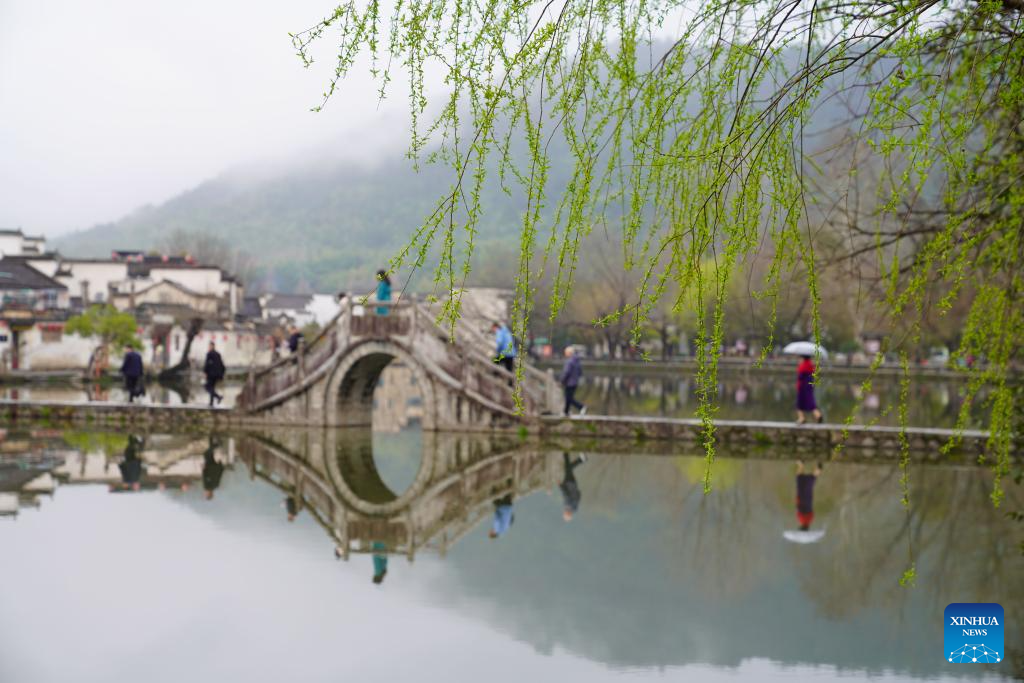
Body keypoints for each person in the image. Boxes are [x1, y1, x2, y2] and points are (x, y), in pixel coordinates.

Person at [559, 346, 586, 416]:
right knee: (568, 398)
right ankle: (566, 412)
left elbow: (566, 372)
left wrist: (562, 381)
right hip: (575, 382)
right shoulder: (577, 361)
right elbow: (580, 372)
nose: (565, 354)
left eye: (566, 353)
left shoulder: (569, 361)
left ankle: (581, 406)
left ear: (569, 353)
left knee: (569, 398)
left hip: (569, 383)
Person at [559, 452, 587, 521]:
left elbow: (579, 495)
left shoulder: (575, 507)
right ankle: (582, 459)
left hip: (574, 484)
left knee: (567, 468)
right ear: (567, 513)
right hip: (568, 483)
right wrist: (560, 485)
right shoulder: (568, 505)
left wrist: (576, 490)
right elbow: (565, 494)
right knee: (568, 469)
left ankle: (566, 453)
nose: (564, 512)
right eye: (565, 514)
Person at [796, 355, 823, 424]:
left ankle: (801, 418)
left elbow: (800, 377)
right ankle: (818, 415)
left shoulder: (803, 365)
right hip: (809, 387)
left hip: (803, 387)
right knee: (811, 402)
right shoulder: (811, 365)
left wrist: (799, 366)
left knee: (799, 404)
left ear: (803, 357)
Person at [795, 460, 822, 530]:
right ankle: (801, 464)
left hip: (809, 500)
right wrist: (797, 500)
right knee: (799, 479)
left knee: (810, 483)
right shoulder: (801, 520)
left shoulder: (810, 520)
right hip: (802, 498)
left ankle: (818, 470)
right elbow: (799, 509)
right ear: (801, 526)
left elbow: (812, 512)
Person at [203, 341, 226, 407]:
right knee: (212, 387)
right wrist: (222, 374)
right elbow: (222, 365)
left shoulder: (209, 354)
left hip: (211, 374)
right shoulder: (218, 354)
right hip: (217, 374)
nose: (209, 347)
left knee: (207, 387)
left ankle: (218, 397)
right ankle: (211, 403)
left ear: (212, 346)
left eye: (210, 346)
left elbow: (207, 364)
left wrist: (205, 372)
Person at [201, 436, 224, 500]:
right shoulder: (206, 487)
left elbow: (219, 475)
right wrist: (203, 468)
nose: (205, 493)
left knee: (210, 453)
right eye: (206, 495)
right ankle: (217, 444)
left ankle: (211, 438)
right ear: (208, 494)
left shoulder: (216, 486)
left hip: (216, 467)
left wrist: (221, 466)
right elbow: (204, 476)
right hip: (209, 467)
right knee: (206, 454)